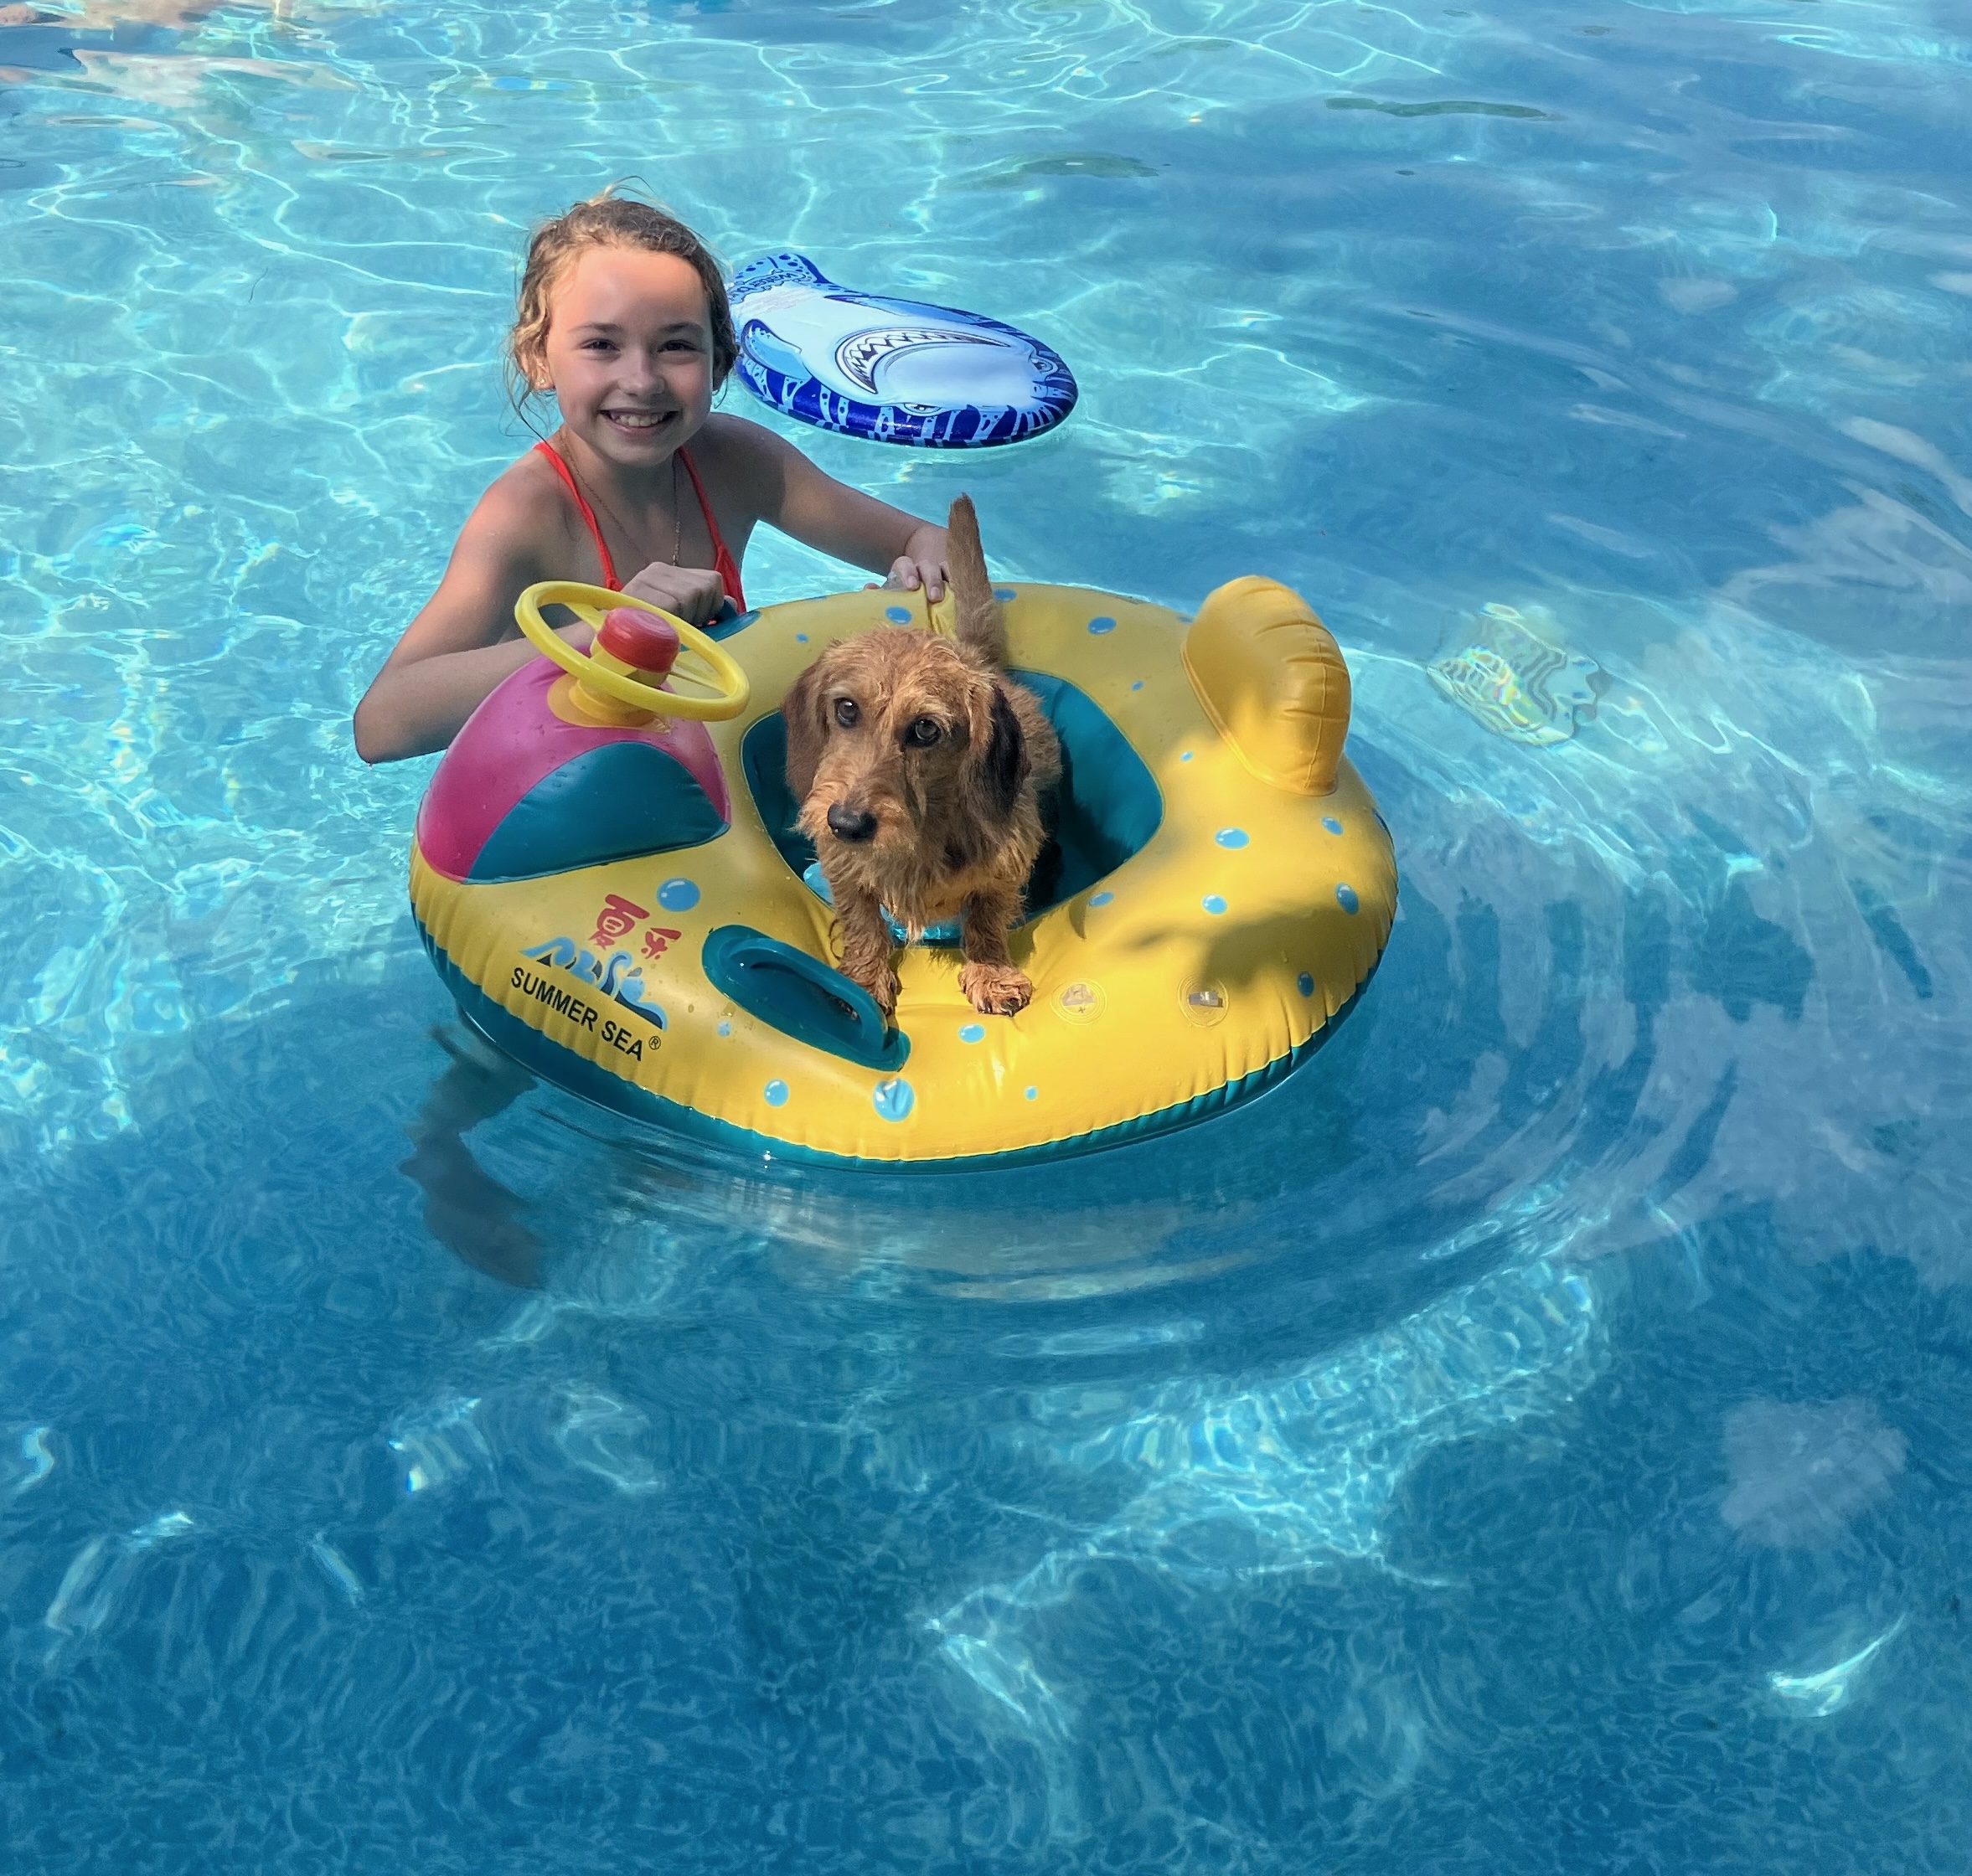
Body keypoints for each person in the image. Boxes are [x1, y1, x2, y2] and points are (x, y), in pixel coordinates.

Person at [353, 189, 952, 764]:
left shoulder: (736, 461)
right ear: (538, 360)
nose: (641, 380)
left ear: (719, 363)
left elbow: (923, 540)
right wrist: (608, 636)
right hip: (590, 783)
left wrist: (915, 583)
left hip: (707, 762)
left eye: (675, 347)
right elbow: (381, 724)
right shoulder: (527, 515)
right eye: (601, 345)